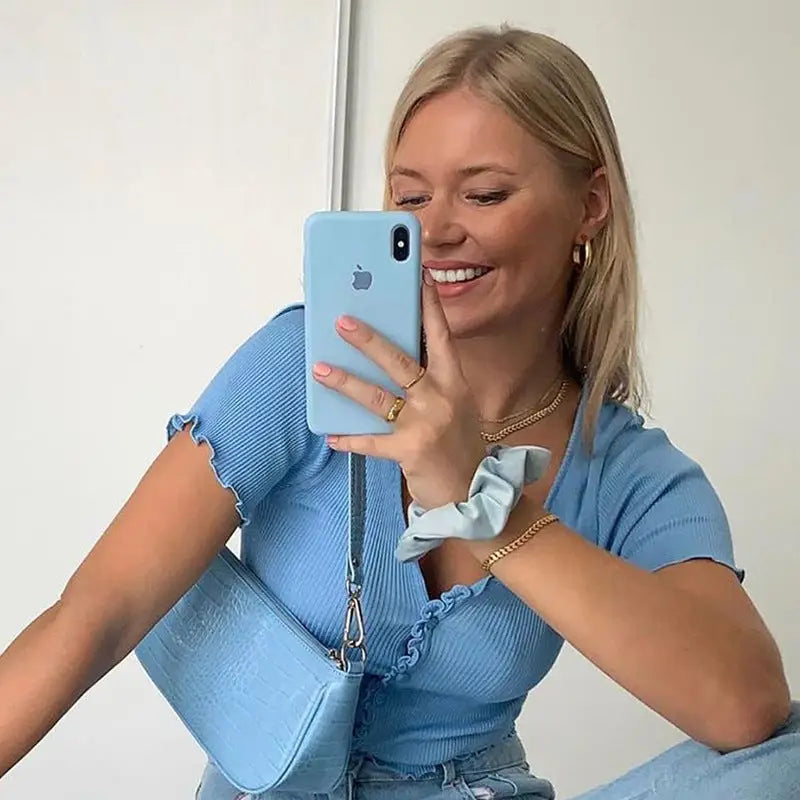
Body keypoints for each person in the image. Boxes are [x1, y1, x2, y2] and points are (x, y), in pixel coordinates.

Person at [0, 24, 796, 800]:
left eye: (484, 194)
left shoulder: (624, 469)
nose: (437, 230)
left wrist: (480, 503)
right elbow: (96, 614)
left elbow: (745, 706)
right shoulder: (303, 367)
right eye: (410, 196)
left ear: (589, 205)